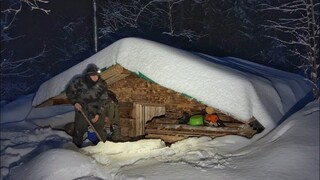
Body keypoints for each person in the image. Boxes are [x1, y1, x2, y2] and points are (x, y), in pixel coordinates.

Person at [66, 64, 109, 148]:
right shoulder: (78, 81)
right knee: (80, 128)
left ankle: (102, 147)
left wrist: (98, 114)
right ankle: (76, 148)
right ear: (88, 75)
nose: (95, 78)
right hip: (82, 108)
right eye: (93, 76)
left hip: (96, 108)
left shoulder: (102, 84)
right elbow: (69, 91)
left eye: (96, 75)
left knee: (99, 128)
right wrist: (75, 102)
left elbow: (104, 99)